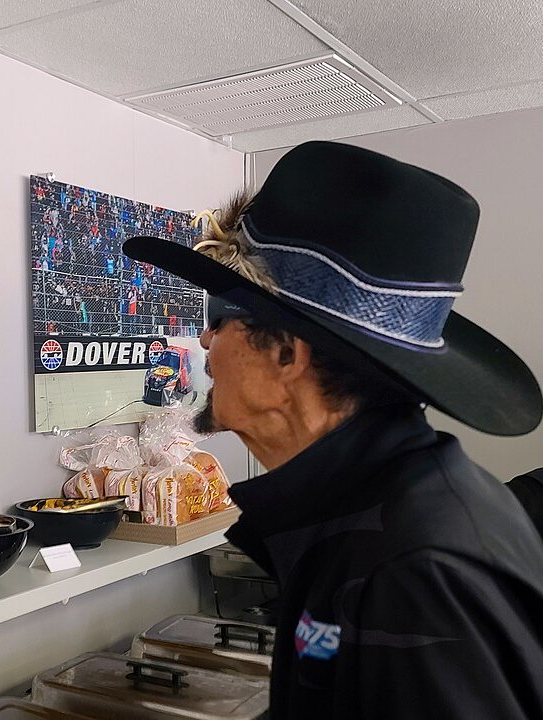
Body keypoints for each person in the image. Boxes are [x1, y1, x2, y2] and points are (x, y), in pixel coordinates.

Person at [123, 141, 543, 719]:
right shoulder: (370, 509)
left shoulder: (410, 569)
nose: (204, 344)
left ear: (287, 355)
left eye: (217, 320)